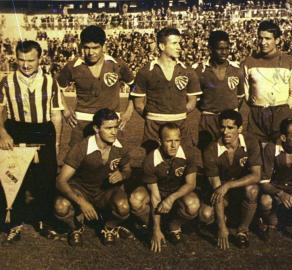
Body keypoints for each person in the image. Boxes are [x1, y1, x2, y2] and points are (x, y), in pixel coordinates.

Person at [0, 40, 64, 242]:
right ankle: (14, 222)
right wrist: (2, 133)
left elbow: (56, 115)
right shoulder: (6, 81)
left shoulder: (50, 81)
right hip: (16, 130)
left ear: (40, 59)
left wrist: (56, 143)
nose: (25, 64)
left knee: (45, 180)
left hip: (43, 131)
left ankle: (43, 220)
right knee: (14, 178)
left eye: (31, 60)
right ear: (15, 58)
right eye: (21, 59)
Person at [54, 108, 132, 246]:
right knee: (61, 207)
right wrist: (81, 202)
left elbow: (128, 170)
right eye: (108, 128)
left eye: (115, 127)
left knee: (123, 207)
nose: (114, 132)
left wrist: (123, 174)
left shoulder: (121, 147)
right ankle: (76, 227)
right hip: (82, 190)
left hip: (106, 192)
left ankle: (108, 227)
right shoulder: (81, 148)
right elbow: (60, 181)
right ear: (96, 128)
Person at [57, 25, 135, 147]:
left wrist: (128, 112)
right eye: (86, 48)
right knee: (78, 162)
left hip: (111, 122)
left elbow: (135, 87)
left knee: (113, 162)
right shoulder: (73, 67)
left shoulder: (117, 65)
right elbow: (56, 89)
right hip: (82, 121)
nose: (90, 52)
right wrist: (66, 111)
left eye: (95, 48)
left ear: (103, 46)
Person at [128, 27, 201, 152]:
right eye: (174, 43)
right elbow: (138, 104)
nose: (179, 47)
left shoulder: (188, 71)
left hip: (180, 124)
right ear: (162, 46)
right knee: (154, 164)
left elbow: (192, 101)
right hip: (153, 126)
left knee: (184, 162)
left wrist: (177, 113)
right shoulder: (145, 71)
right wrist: (153, 116)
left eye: (179, 43)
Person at [129, 123, 200, 253]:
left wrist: (171, 198)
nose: (173, 145)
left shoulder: (188, 153)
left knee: (193, 204)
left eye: (176, 140)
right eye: (168, 141)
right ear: (160, 141)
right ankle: (152, 226)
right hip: (157, 191)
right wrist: (156, 230)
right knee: (135, 199)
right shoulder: (150, 161)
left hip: (176, 192)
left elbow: (191, 184)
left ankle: (173, 226)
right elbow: (155, 196)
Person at [199, 110, 261, 249]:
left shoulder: (251, 142)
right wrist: (222, 227)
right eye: (222, 127)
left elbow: (256, 175)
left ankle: (242, 231)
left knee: (252, 190)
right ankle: (226, 219)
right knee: (205, 215)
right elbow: (217, 190)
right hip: (221, 193)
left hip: (239, 189)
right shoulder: (210, 149)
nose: (225, 132)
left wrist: (228, 185)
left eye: (230, 128)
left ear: (239, 129)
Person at [242, 20, 292, 143]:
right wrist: (258, 107)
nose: (263, 42)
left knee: (278, 154)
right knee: (256, 154)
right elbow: (247, 94)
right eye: (260, 38)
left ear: (277, 40)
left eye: (268, 39)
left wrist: (282, 110)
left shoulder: (290, 61)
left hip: (281, 113)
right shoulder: (248, 62)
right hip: (257, 115)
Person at [193, 30, 245, 149]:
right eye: (220, 49)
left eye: (226, 48)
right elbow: (196, 100)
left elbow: (240, 98)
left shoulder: (237, 70)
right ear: (210, 49)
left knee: (230, 153)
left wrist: (230, 113)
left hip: (229, 121)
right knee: (207, 154)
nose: (224, 52)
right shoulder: (199, 70)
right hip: (208, 120)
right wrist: (210, 109)